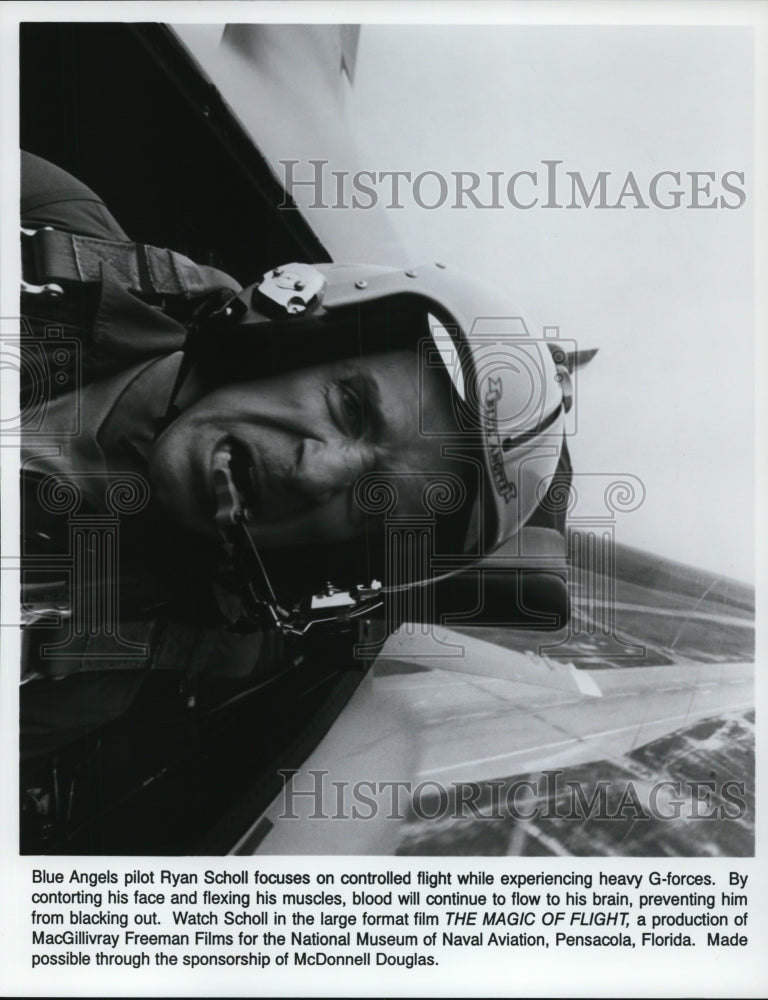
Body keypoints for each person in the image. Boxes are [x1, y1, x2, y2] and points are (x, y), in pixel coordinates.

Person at [19, 151, 570, 759]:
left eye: (372, 503)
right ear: (287, 338)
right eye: (351, 408)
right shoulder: (42, 218)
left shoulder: (73, 678)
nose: (315, 472)